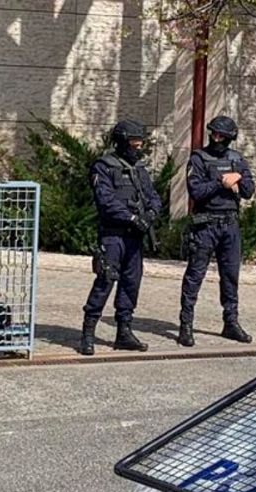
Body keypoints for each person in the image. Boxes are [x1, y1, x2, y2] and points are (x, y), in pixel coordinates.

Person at [81, 120, 162, 355]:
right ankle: (88, 332)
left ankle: (124, 332)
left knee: (131, 283)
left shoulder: (138, 168)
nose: (138, 148)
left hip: (134, 239)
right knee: (106, 279)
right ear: (122, 142)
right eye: (134, 144)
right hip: (112, 236)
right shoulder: (103, 167)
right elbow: (106, 202)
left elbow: (153, 197)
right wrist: (131, 218)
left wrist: (150, 214)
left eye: (140, 145)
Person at [179, 115, 256, 346]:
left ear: (230, 138)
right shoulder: (199, 158)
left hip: (230, 225)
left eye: (221, 135)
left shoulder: (237, 160)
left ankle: (230, 322)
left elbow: (249, 190)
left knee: (231, 276)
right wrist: (221, 183)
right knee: (195, 275)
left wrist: (239, 178)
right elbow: (196, 191)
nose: (216, 138)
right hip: (206, 224)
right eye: (213, 133)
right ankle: (186, 324)